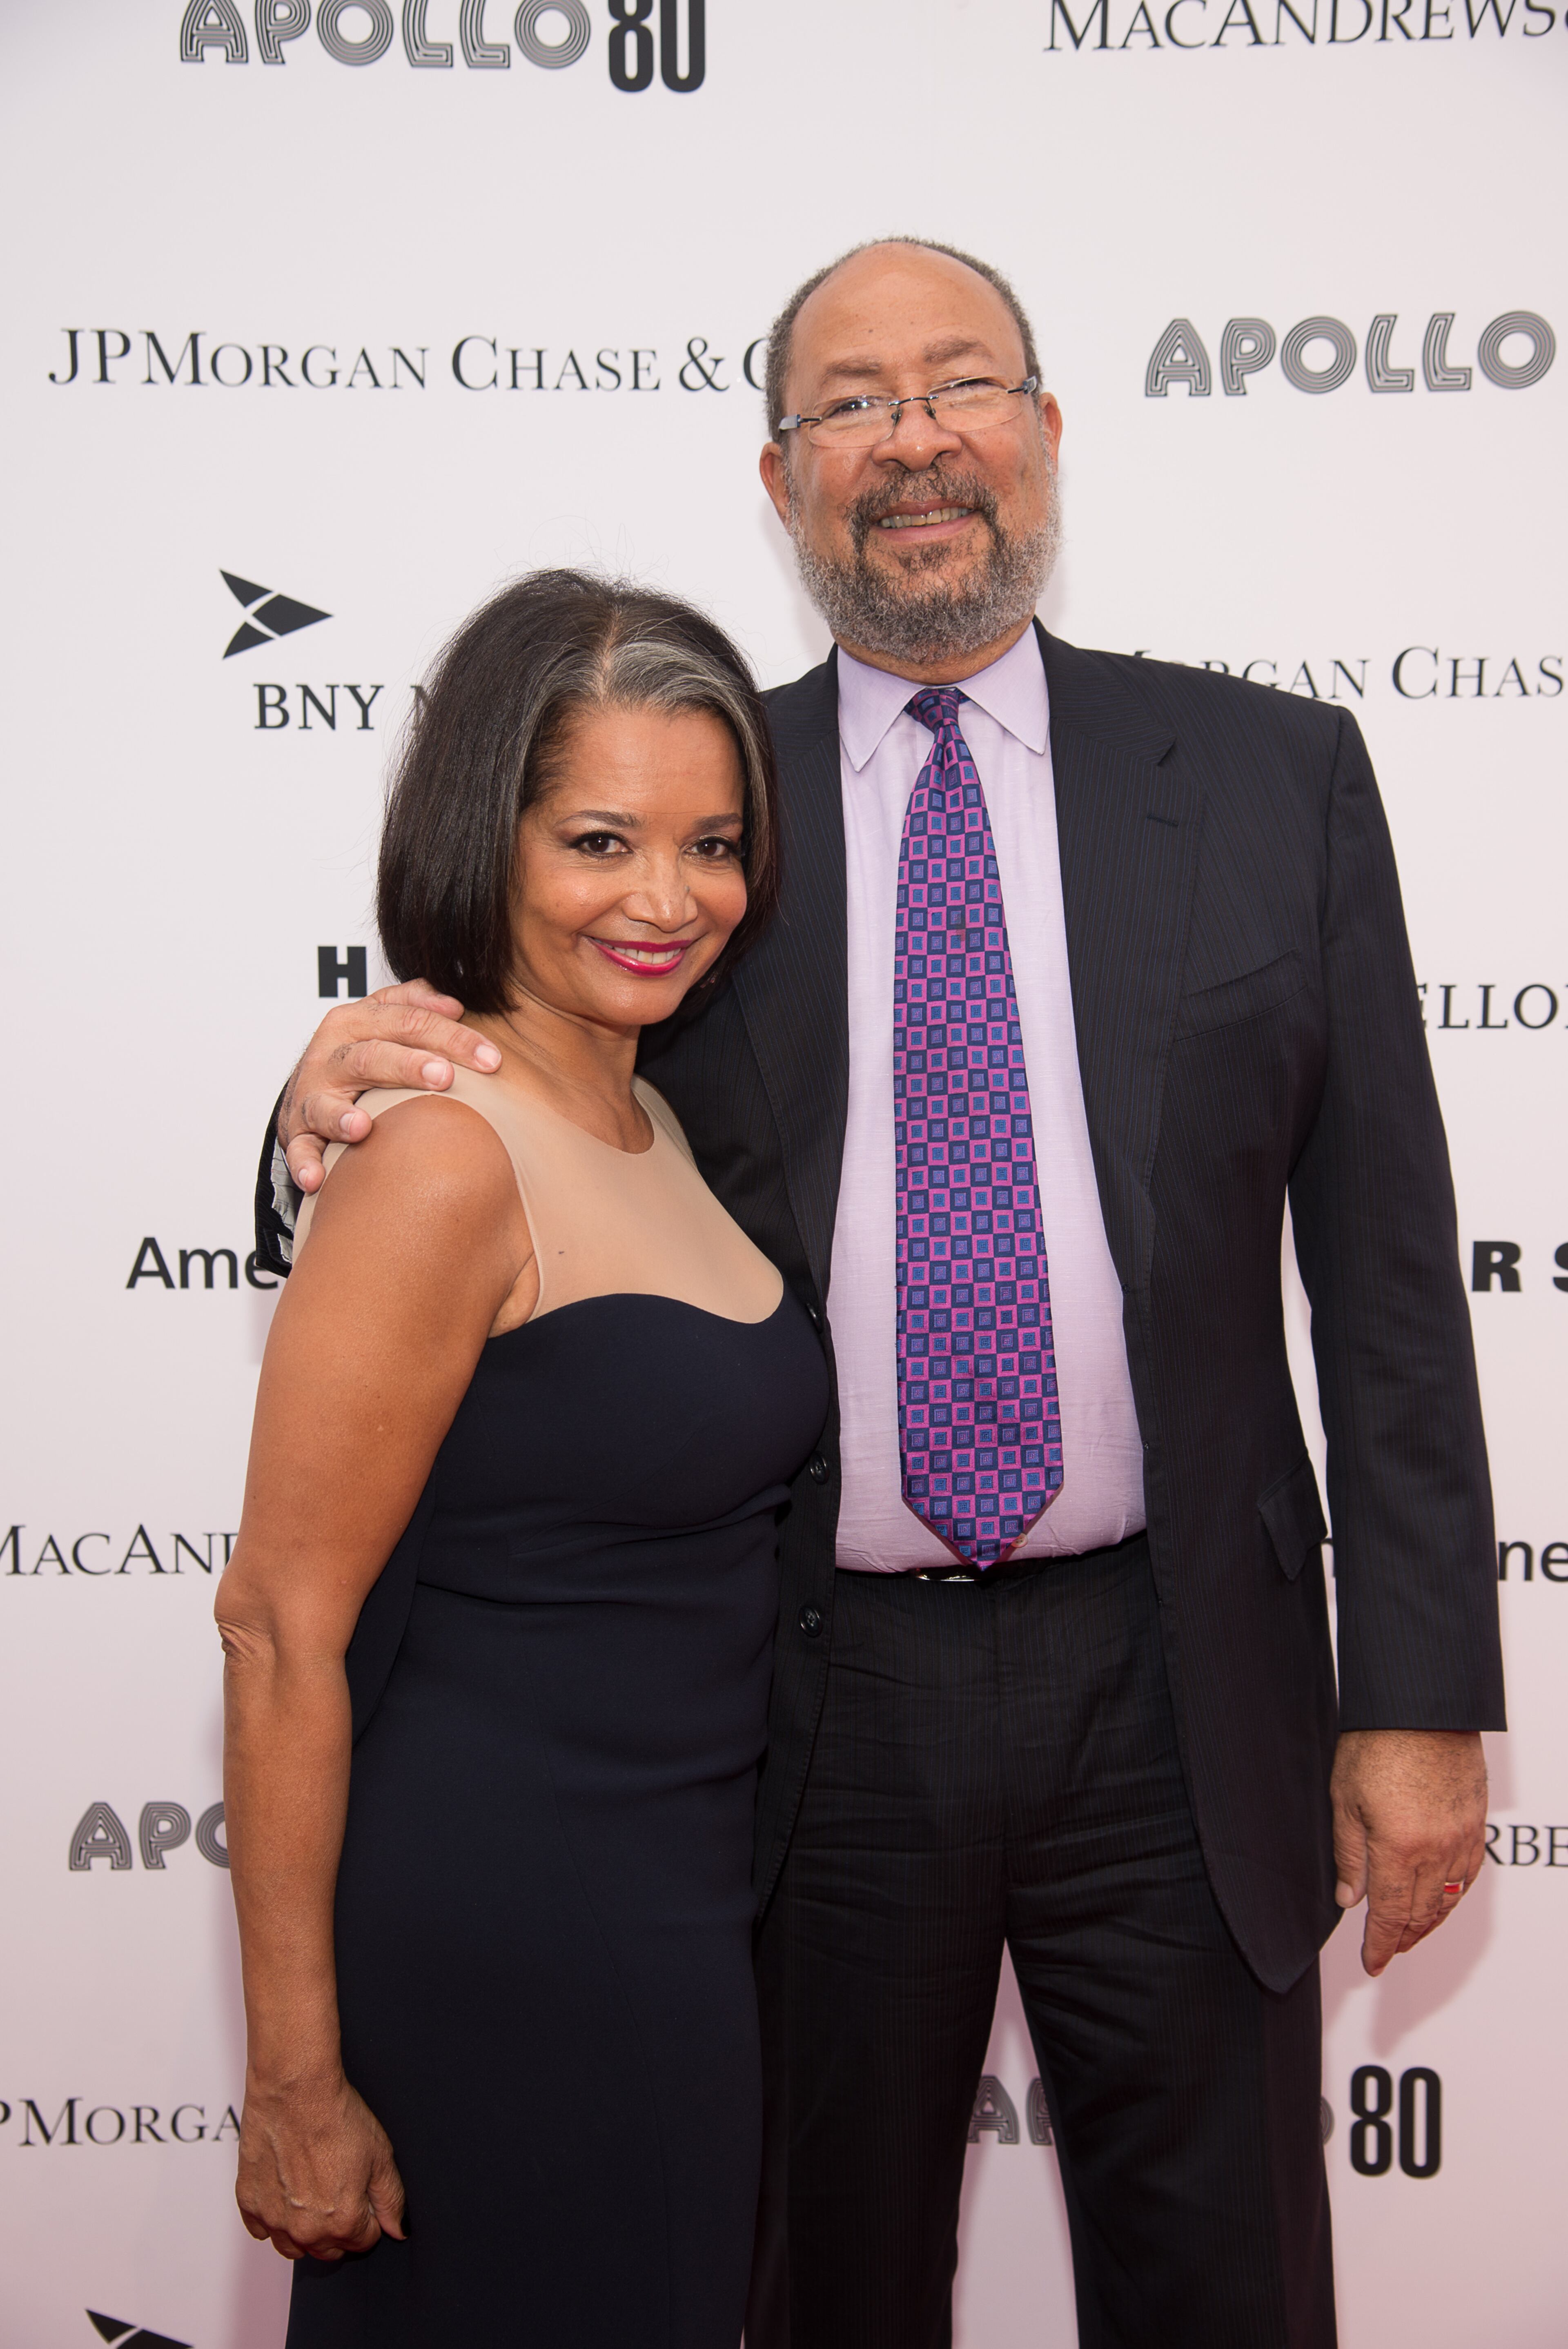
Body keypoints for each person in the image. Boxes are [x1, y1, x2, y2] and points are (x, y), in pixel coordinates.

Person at [258, 242, 1502, 2349]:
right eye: (849, 403)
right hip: (811, 1705)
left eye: (957, 385)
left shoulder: (1276, 779)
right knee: (821, 2293)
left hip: (1180, 1684)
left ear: (1043, 430)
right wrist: (308, 1097)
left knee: (1232, 2293)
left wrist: (1418, 1693)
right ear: (779, 473)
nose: (911, 438)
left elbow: (1389, 1280)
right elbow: (514, 1102)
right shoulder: (695, 802)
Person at [218, 571, 829, 2348]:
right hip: (502, 1936)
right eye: (599, 838)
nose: (667, 896)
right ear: (486, 836)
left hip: (673, 1923)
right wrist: (295, 2076)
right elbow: (277, 1628)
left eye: (713, 842)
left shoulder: (654, 1110)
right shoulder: (444, 1152)